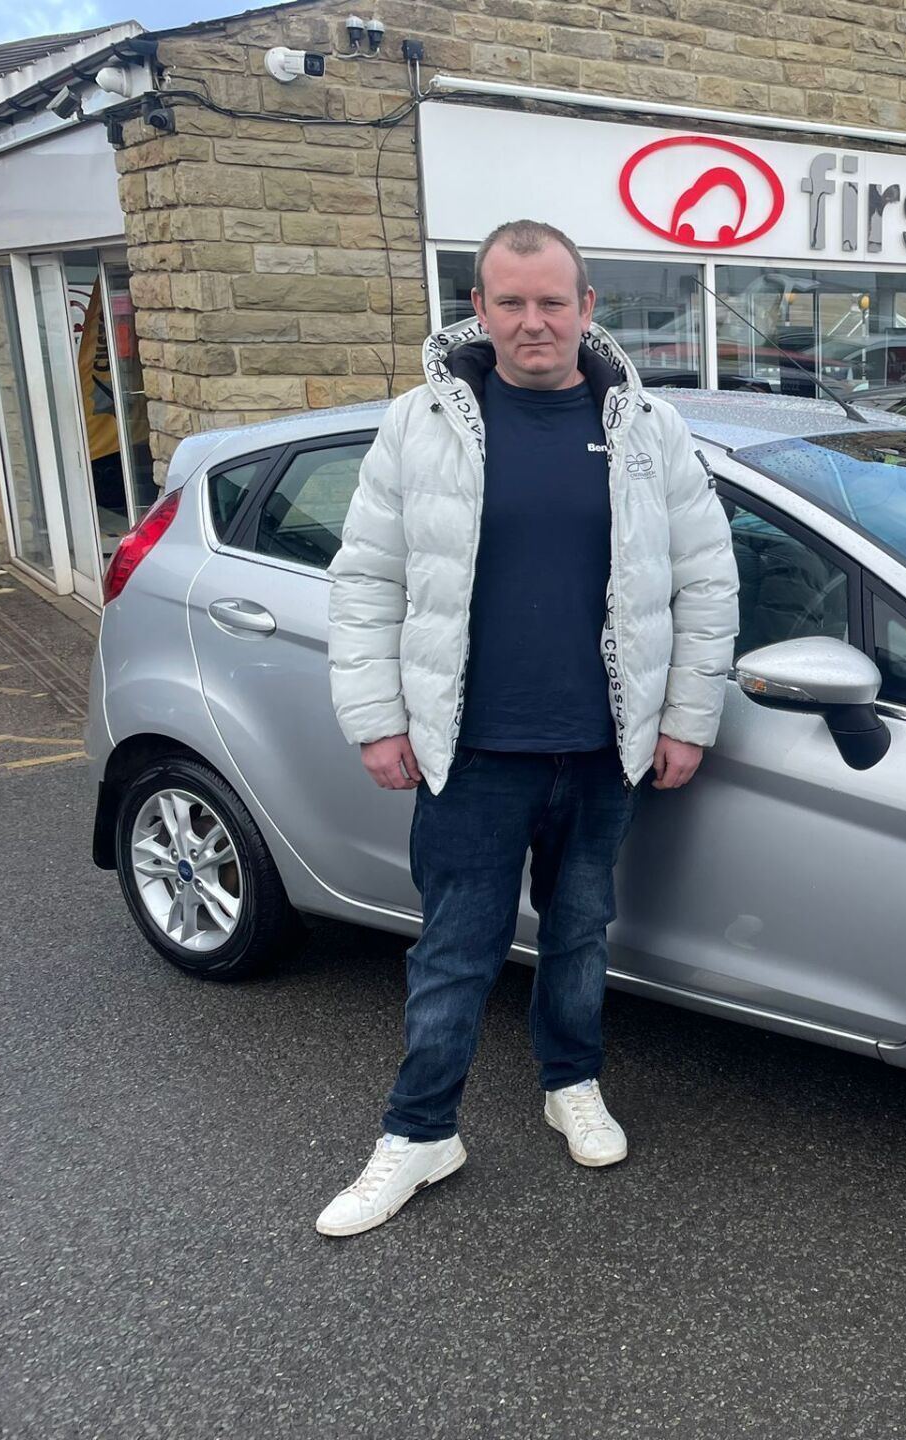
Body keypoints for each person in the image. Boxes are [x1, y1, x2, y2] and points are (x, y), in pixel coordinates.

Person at [316, 219, 738, 1237]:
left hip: (602, 749)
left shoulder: (647, 428)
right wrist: (377, 719)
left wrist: (686, 715)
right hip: (471, 752)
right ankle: (419, 1135)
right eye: (512, 302)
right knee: (455, 951)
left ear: (589, 307)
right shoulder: (421, 424)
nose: (534, 321)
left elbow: (703, 578)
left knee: (581, 932)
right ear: (482, 309)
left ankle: (570, 1082)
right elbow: (365, 581)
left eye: (554, 301)